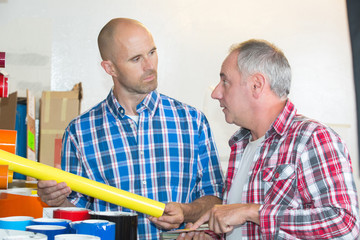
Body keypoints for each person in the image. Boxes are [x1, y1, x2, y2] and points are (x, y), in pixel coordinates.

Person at [37, 18, 224, 239]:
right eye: (136, 59)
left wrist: (185, 212)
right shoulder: (80, 133)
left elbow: (216, 200)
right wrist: (58, 200)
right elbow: (76, 214)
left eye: (152, 52)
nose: (149, 65)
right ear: (110, 68)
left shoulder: (192, 122)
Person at [190, 39, 360, 239]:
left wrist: (253, 212)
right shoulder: (241, 145)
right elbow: (244, 228)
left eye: (225, 81)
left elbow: (344, 226)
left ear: (256, 85)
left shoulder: (312, 138)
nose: (216, 93)